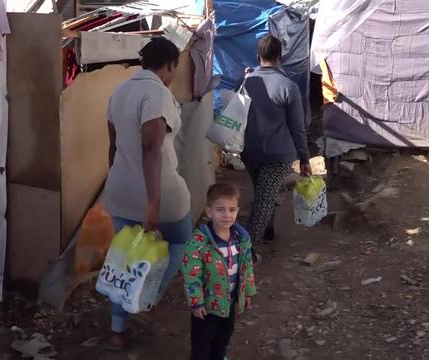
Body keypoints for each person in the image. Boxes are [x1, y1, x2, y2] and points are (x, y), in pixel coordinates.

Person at [103, 37, 192, 351]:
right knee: (180, 241)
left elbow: (113, 149)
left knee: (125, 259)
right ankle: (143, 300)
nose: (172, 75)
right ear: (169, 65)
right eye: (174, 69)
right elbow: (151, 146)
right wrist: (152, 202)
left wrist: (117, 181)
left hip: (119, 191)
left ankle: (117, 329)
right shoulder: (156, 92)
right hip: (158, 193)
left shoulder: (118, 93)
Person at [241, 35, 312, 263]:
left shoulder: (246, 82)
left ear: (257, 56)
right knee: (264, 197)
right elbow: (298, 128)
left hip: (250, 151)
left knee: (263, 192)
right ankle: (247, 250)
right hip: (278, 153)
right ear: (280, 57)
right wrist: (304, 158)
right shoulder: (289, 87)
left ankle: (268, 230)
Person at [181, 183, 257, 360]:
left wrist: (248, 292)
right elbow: (191, 275)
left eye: (232, 210)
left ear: (237, 211)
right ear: (209, 211)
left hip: (229, 303)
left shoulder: (242, 239)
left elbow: (247, 267)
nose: (227, 215)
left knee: (223, 338)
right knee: (202, 343)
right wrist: (196, 303)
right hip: (206, 306)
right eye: (220, 210)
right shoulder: (198, 242)